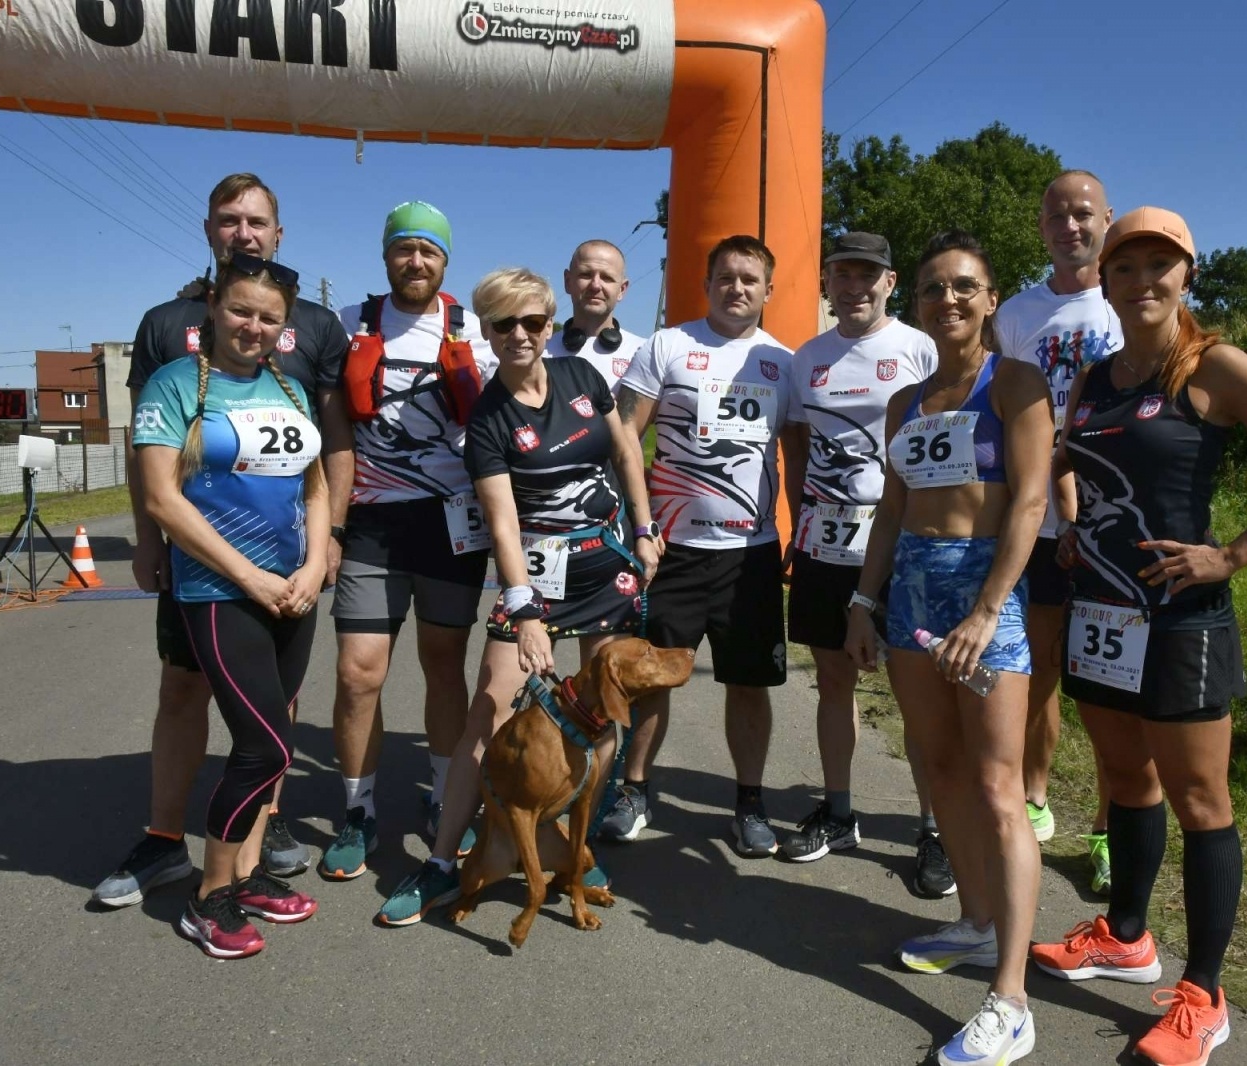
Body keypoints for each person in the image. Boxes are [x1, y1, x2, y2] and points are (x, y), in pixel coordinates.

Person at [1029, 207, 1247, 1066]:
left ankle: (1204, 996)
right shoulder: (1093, 379)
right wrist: (1071, 525)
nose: (1143, 282)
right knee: (1123, 780)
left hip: (1180, 621)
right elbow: (1075, 465)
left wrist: (1234, 554)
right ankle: (1128, 938)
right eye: (1125, 268)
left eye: (1159, 267)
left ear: (1188, 277)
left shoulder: (1213, 368)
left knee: (1201, 803)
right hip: (1101, 613)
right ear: (1104, 281)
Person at [94, 173, 349, 909]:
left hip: (290, 562)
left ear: (279, 231)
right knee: (182, 686)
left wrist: (324, 541)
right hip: (205, 565)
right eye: (230, 219)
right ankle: (166, 841)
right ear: (210, 229)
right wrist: (147, 538)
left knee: (277, 706)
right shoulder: (166, 329)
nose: (244, 231)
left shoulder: (316, 332)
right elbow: (150, 461)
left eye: (258, 220)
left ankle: (255, 844)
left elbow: (328, 451)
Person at [375, 267, 660, 925]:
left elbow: (625, 454)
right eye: (504, 324)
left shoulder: (585, 378)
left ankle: (573, 848)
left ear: (550, 324)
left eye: (533, 322)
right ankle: (444, 861)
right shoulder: (488, 420)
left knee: (607, 711)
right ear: (488, 330)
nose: (520, 335)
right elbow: (502, 521)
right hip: (536, 576)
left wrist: (644, 529)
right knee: (490, 709)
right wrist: (523, 606)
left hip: (606, 565)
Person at [844, 231, 1052, 1065]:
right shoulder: (906, 403)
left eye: (964, 287)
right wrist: (864, 600)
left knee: (1000, 787)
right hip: (911, 594)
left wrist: (987, 609)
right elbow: (891, 513)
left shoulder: (1018, 385)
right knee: (939, 769)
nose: (948, 301)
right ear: (917, 303)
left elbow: (1032, 504)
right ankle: (973, 921)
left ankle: (1012, 997)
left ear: (991, 298)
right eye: (933, 290)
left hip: (985, 592)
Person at [133, 254, 327, 958]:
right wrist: (252, 579)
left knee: (274, 751)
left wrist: (314, 563)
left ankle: (245, 881)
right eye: (242, 310)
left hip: (293, 591)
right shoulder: (175, 384)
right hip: (220, 592)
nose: (254, 326)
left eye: (269, 318)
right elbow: (161, 498)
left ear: (285, 327)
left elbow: (316, 485)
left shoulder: (290, 386)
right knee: (263, 747)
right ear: (214, 307)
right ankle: (209, 899)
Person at [315, 201, 495, 882]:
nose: (415, 261)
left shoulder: (472, 330)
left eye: (428, 250)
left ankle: (445, 797)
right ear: (385, 255)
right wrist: (327, 528)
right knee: (358, 673)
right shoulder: (347, 325)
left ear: (446, 261)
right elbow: (323, 421)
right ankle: (357, 810)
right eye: (403, 249)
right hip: (371, 522)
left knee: (443, 664)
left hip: (451, 524)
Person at [603, 235, 794, 856]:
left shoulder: (783, 362)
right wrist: (637, 524)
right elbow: (625, 438)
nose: (737, 288)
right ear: (707, 283)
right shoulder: (668, 345)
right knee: (653, 678)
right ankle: (634, 790)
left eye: (750, 279)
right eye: (726, 277)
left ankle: (749, 803)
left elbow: (804, 453)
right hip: (675, 548)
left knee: (748, 684)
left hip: (751, 555)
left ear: (768, 289)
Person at [779, 231, 951, 893]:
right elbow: (797, 446)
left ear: (888, 282)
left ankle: (935, 830)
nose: (852, 287)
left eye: (865, 275)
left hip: (904, 545)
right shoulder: (807, 359)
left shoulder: (918, 347)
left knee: (918, 694)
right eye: (840, 275)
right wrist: (797, 522)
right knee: (833, 681)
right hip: (825, 545)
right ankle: (841, 809)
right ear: (827, 282)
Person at [994, 169, 1123, 894]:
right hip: (1039, 523)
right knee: (1041, 665)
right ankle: (1036, 797)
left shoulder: (1131, 299)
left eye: (1083, 214)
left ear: (1106, 216)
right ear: (1041, 227)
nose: (1070, 227)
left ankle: (1108, 830)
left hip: (1115, 524)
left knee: (1108, 684)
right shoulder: (1016, 314)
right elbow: (1011, 412)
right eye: (1057, 216)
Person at [544, 240, 647, 390]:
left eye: (607, 278)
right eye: (586, 275)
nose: (595, 285)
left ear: (622, 290)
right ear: (568, 281)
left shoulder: (644, 353)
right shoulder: (540, 352)